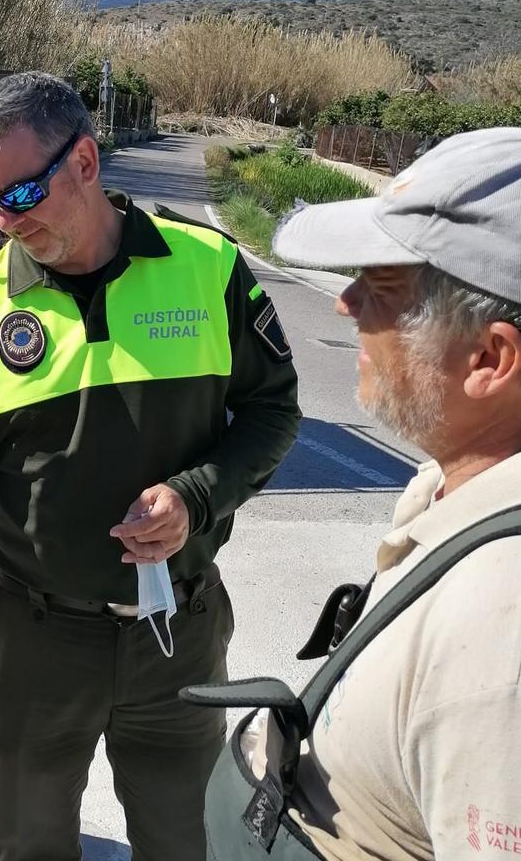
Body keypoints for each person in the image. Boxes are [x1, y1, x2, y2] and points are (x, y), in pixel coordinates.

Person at [0, 72, 301, 860]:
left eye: (23, 192)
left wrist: (197, 498)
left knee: (183, 842)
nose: (6, 221)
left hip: (178, 631)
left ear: (84, 161)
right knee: (27, 846)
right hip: (34, 644)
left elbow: (275, 412)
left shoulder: (208, 269)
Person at [193, 127, 521, 861]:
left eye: (381, 285)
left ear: (491, 358)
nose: (344, 306)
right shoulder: (457, 489)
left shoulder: (505, 628)